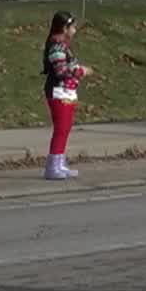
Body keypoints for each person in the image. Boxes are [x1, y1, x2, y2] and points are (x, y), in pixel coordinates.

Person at [41, 11, 88, 179]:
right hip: (58, 91)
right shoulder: (56, 46)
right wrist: (81, 70)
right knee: (60, 129)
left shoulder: (63, 45)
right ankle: (52, 166)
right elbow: (61, 71)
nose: (75, 30)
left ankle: (60, 162)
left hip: (67, 91)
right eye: (73, 27)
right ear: (64, 28)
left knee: (65, 128)